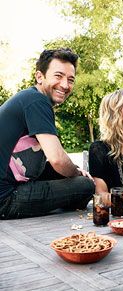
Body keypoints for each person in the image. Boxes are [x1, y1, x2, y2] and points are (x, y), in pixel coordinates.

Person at [0, 48, 95, 219]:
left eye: (70, 79)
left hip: (9, 185)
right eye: (58, 76)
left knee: (72, 175)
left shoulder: (27, 98)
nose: (65, 85)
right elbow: (57, 159)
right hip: (5, 198)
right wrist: (77, 174)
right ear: (39, 76)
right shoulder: (37, 101)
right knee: (86, 185)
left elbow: (49, 163)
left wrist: (76, 170)